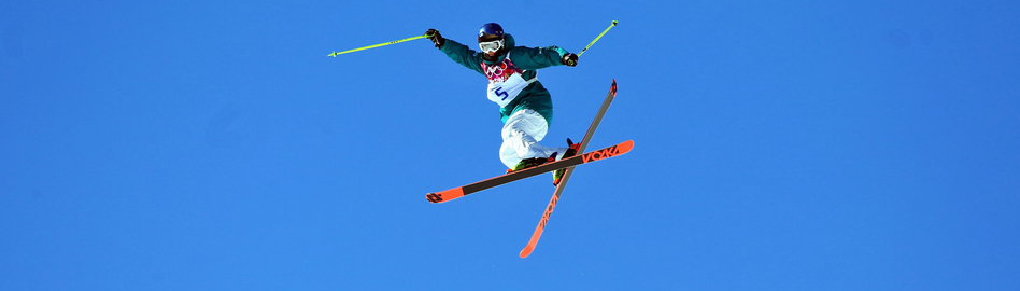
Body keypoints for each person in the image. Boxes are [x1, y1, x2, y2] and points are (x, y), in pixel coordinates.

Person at [425, 23, 581, 185]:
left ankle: (544, 156)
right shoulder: (483, 64)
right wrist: (442, 43)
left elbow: (543, 54)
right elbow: (464, 56)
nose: (490, 51)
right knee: (507, 154)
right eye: (485, 47)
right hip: (522, 120)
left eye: (494, 45)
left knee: (511, 131)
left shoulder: (515, 57)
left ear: (502, 43)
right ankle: (556, 159)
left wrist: (564, 57)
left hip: (533, 104)